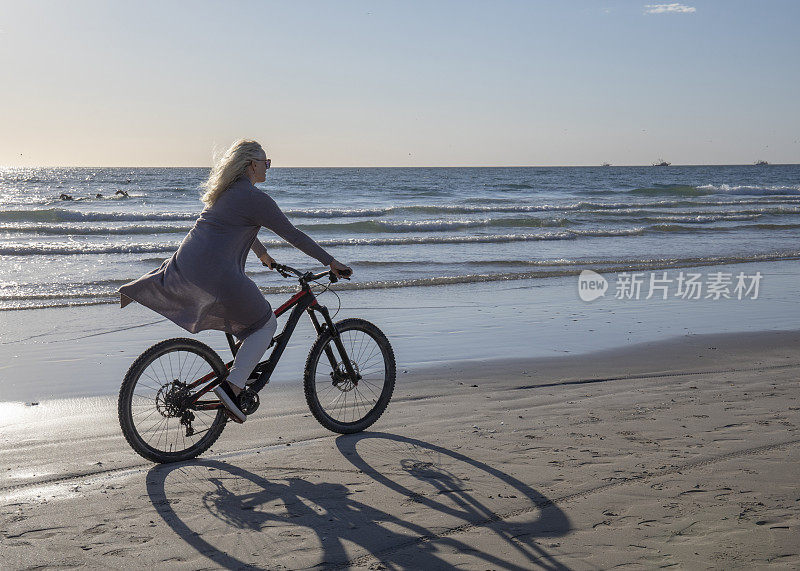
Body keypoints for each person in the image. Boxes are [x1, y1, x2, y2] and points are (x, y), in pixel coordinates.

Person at [118, 139, 351, 422]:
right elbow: (294, 235)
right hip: (216, 272)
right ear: (251, 164)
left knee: (251, 324)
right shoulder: (256, 199)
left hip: (186, 262)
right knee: (266, 322)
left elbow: (239, 226)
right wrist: (331, 262)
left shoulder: (226, 193)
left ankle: (238, 372)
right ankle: (232, 387)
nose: (268, 167)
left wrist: (263, 255)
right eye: (266, 162)